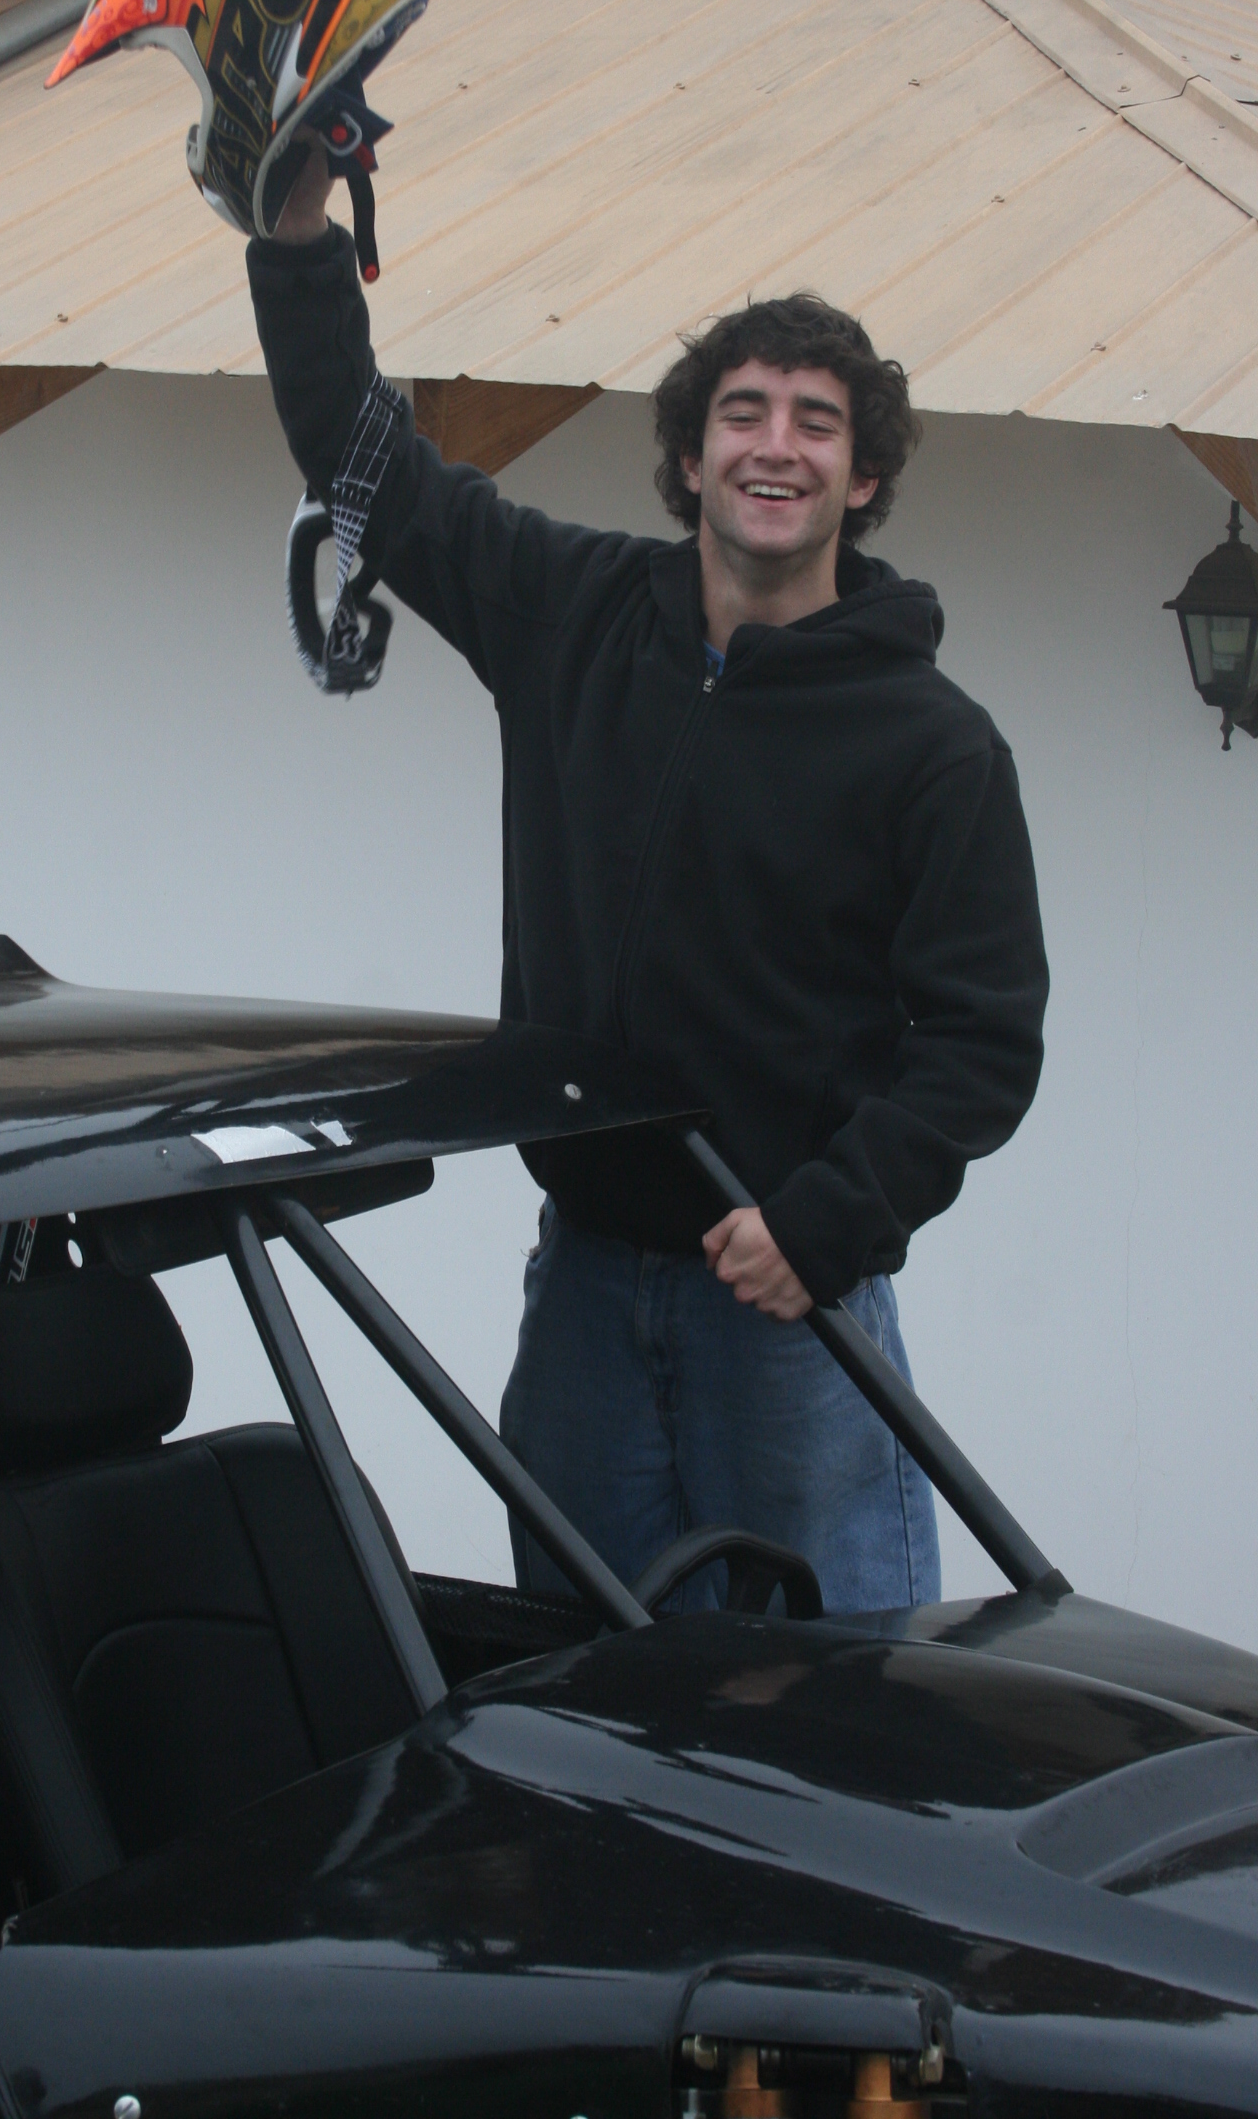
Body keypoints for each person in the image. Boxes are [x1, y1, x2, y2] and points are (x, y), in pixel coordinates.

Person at [247, 145, 1048, 1616]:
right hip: (588, 1291)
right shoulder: (575, 614)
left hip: (788, 1306)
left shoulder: (935, 746)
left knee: (829, 1695)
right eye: (742, 412)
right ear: (689, 457)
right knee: (583, 1676)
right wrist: (296, 228)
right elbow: (367, 468)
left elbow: (984, 1045)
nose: (774, 446)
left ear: (864, 476)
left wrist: (827, 1222)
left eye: (816, 422)